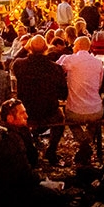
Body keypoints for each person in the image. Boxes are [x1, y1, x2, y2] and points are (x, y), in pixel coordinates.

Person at [0, 99, 63, 207]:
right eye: (22, 113)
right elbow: (25, 174)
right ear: (10, 118)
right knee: (53, 197)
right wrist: (43, 183)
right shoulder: (10, 139)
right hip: (4, 203)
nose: (27, 116)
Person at [11, 35, 67, 166]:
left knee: (21, 121)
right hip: (48, 111)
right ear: (46, 48)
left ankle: (30, 150)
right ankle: (51, 150)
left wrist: (24, 48)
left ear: (29, 47)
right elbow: (63, 94)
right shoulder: (55, 68)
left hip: (27, 111)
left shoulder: (19, 65)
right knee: (60, 118)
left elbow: (12, 62)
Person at [56, 36, 104, 166]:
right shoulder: (98, 63)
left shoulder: (71, 60)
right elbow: (99, 85)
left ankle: (84, 143)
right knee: (94, 119)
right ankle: (88, 140)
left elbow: (56, 69)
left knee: (69, 118)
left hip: (75, 110)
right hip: (96, 109)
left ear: (77, 46)